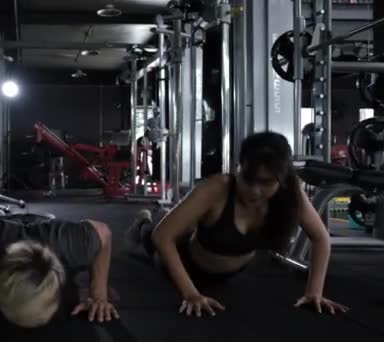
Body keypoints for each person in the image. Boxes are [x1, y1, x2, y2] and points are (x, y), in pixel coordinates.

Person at [125, 131, 349, 318]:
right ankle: (144, 220)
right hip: (187, 263)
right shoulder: (218, 187)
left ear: (282, 178)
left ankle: (168, 217)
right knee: (152, 235)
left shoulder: (290, 195)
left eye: (265, 183)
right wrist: (191, 294)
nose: (254, 190)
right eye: (248, 179)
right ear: (239, 167)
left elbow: (320, 238)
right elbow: (163, 237)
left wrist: (314, 292)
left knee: (178, 225)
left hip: (223, 272)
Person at [0, 213, 118, 328]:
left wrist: (99, 296)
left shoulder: (74, 245)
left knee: (47, 222)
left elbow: (104, 233)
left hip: (46, 227)